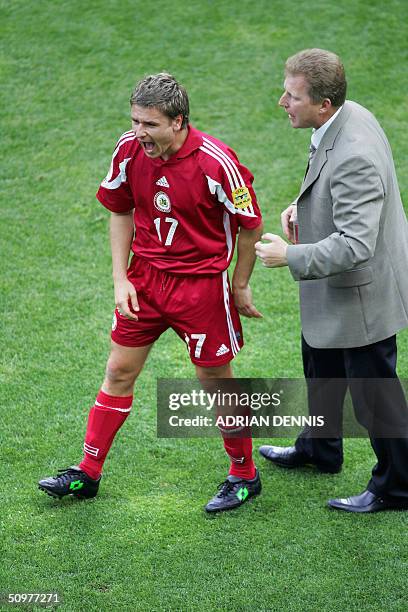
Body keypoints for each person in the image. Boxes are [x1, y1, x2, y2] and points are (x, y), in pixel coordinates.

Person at [39, 73, 263, 513]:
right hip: (145, 280)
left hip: (200, 288)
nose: (139, 133)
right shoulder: (129, 149)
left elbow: (250, 227)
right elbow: (119, 210)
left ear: (178, 122)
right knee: (119, 370)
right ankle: (87, 474)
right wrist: (121, 279)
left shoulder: (217, 163)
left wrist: (238, 286)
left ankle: (244, 475)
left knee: (215, 382)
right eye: (136, 121)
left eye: (150, 125)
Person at [255, 49, 408, 513]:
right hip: (342, 293)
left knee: (374, 399)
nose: (282, 101)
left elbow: (356, 245)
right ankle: (319, 449)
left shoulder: (354, 154)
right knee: (320, 371)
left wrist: (291, 255)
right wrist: (302, 210)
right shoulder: (346, 115)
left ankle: (397, 486)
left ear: (323, 103)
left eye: (293, 96)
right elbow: (333, 187)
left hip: (362, 298)